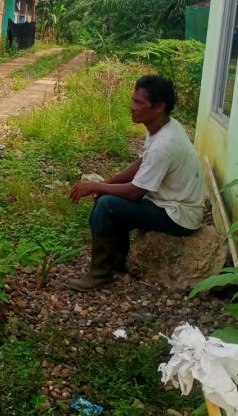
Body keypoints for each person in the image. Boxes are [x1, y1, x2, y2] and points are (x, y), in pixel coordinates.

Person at [67, 75, 205, 292]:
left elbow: (135, 193)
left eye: (139, 103)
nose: (132, 107)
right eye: (133, 100)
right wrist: (107, 183)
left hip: (179, 215)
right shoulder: (164, 126)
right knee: (108, 198)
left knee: (107, 205)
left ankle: (100, 273)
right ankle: (116, 265)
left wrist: (95, 186)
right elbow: (143, 162)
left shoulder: (164, 144)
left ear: (159, 106)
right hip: (171, 203)